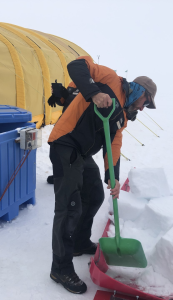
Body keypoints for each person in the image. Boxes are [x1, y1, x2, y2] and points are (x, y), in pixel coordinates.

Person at [48, 56, 157, 294]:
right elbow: (76, 65)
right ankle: (60, 267)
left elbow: (113, 144)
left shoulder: (123, 117)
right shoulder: (110, 79)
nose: (142, 108)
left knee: (95, 194)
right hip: (65, 143)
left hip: (83, 154)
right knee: (69, 206)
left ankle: (77, 241)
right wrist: (93, 93)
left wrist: (113, 176)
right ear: (140, 90)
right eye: (145, 102)